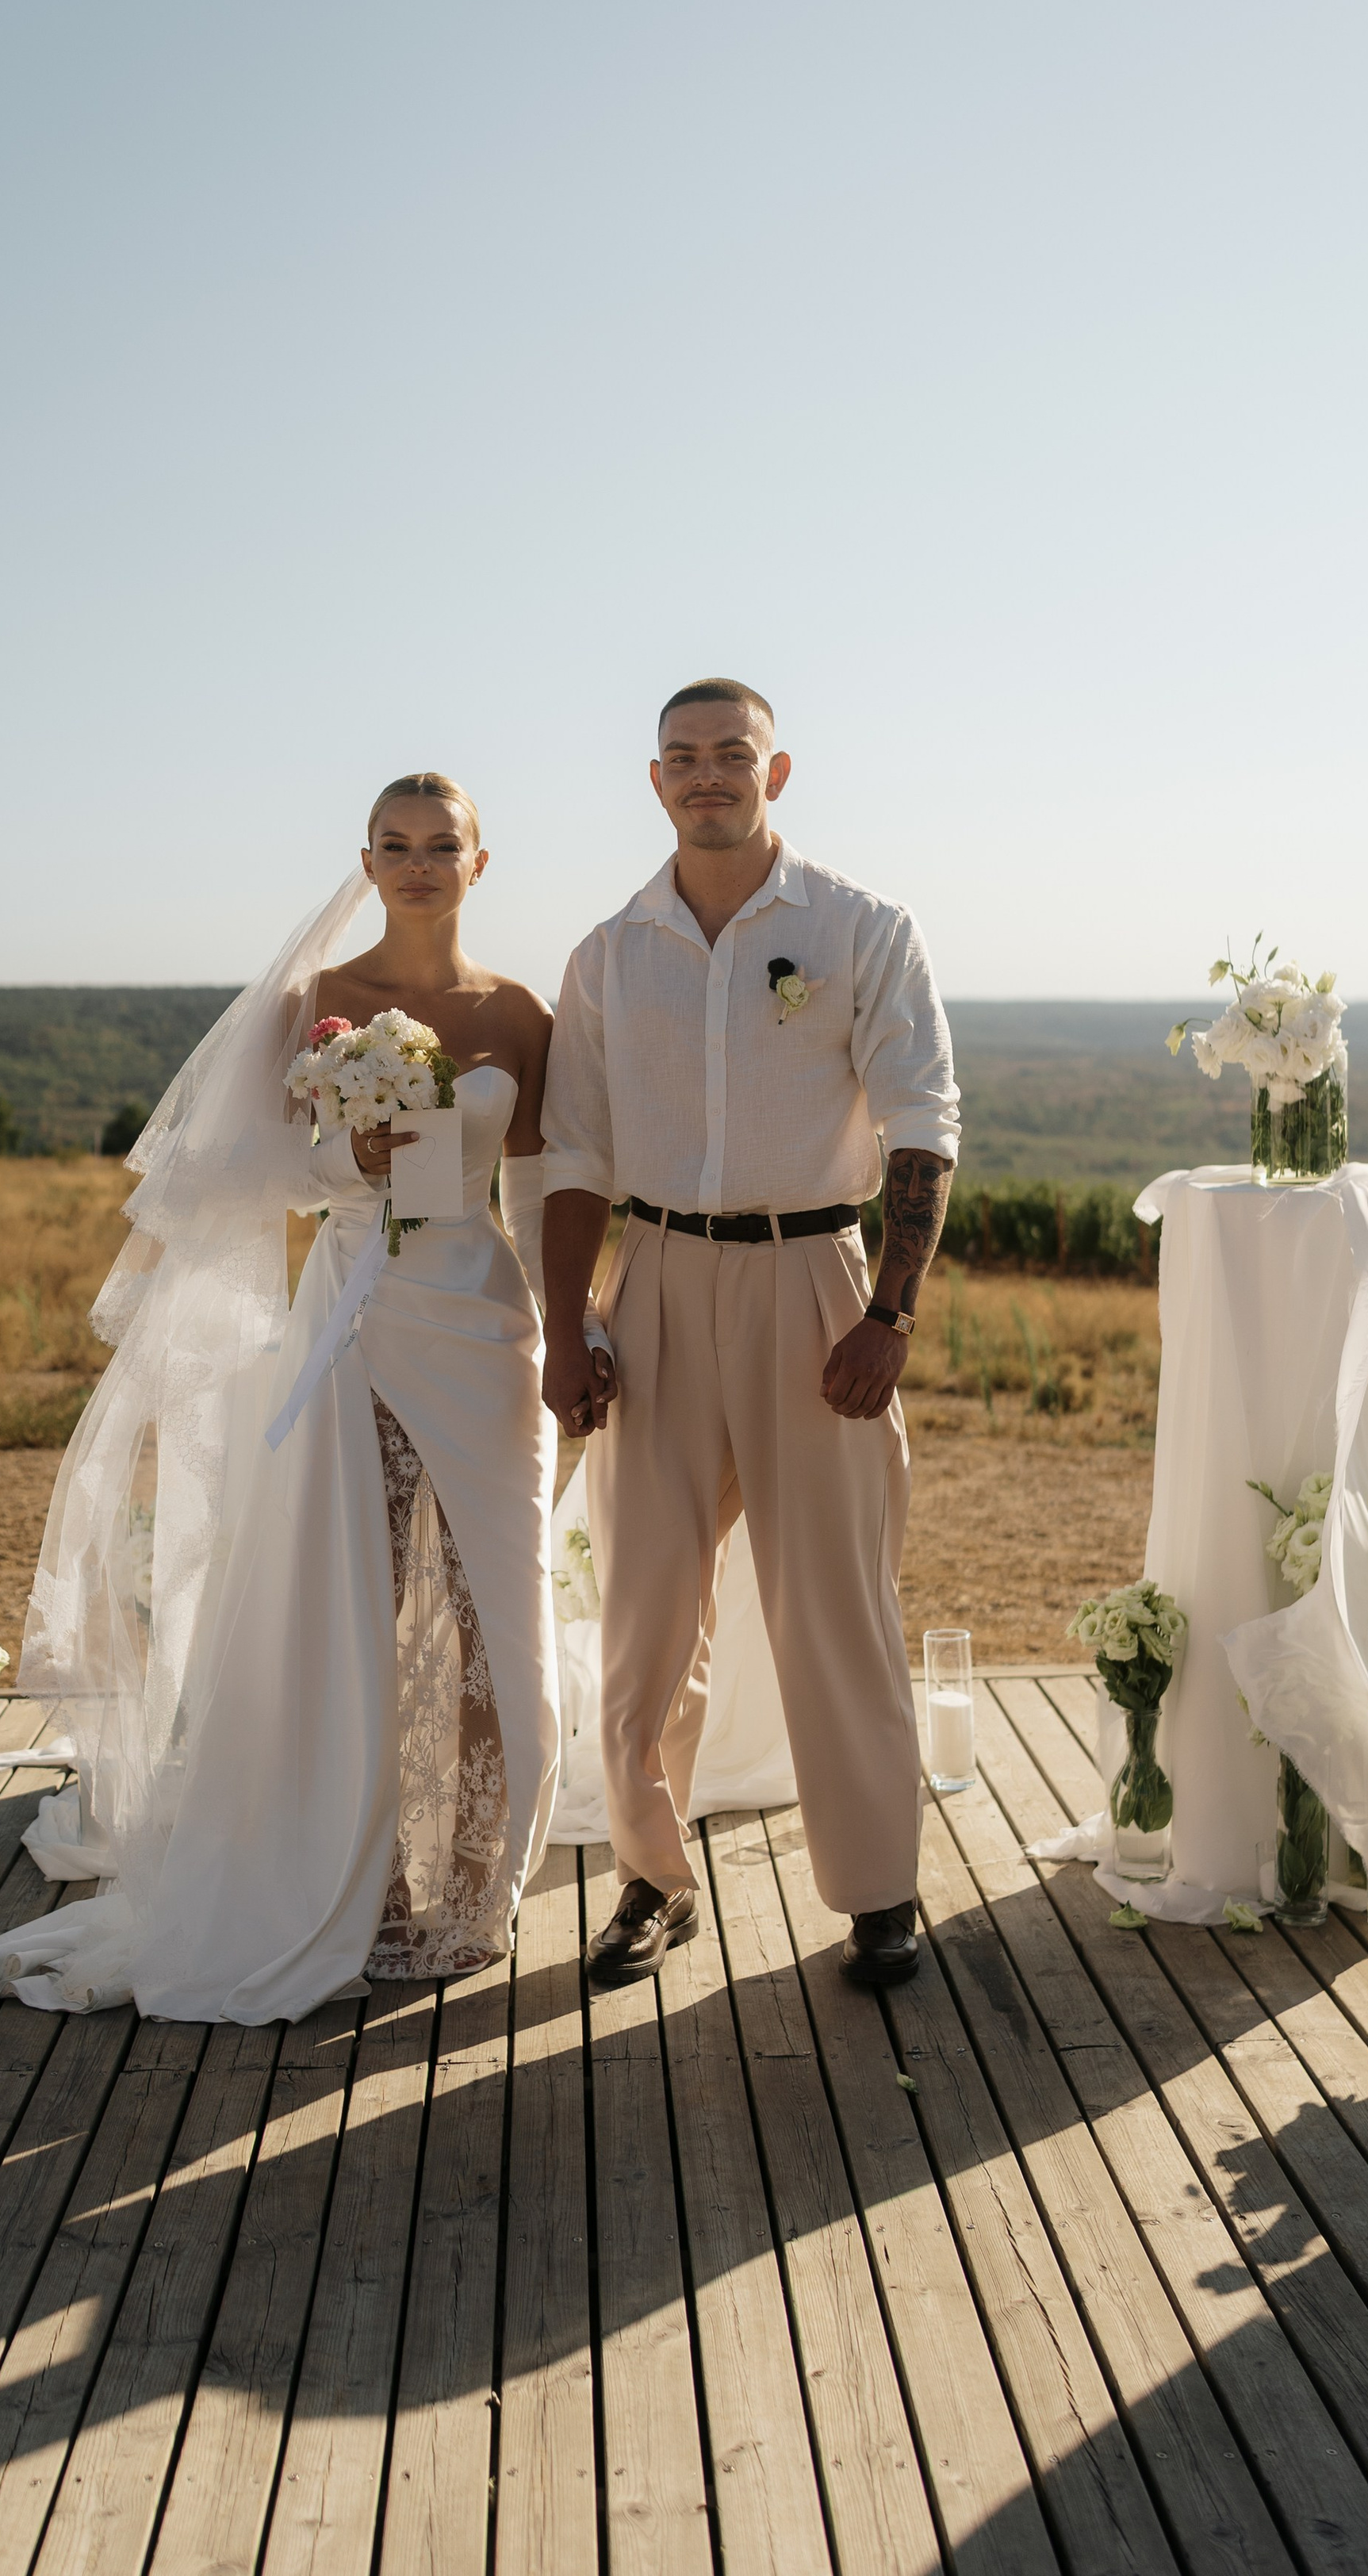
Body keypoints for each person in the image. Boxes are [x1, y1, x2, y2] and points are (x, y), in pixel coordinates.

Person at [0, 773, 560, 2022]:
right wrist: (351, 1154)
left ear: (479, 859)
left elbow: (548, 1183)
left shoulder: (520, 1011)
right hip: (354, 1322)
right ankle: (351, 1882)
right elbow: (250, 1176)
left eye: (439, 844)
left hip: (488, 1328)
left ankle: (469, 1885)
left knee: (499, 1614)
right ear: (366, 856)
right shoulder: (321, 1004)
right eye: (394, 845)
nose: (416, 864)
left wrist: (578, 1322)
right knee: (350, 1610)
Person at [540, 680, 959, 1988]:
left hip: (815, 1282)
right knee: (646, 1610)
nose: (707, 773)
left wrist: (890, 1311)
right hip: (654, 1281)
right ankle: (655, 1879)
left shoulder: (861, 927)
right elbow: (572, 1155)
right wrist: (568, 1326)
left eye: (733, 754)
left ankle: (880, 1890)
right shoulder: (611, 951)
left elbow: (925, 1125)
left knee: (834, 1602)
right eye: (684, 757)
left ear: (779, 772)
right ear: (654, 780)